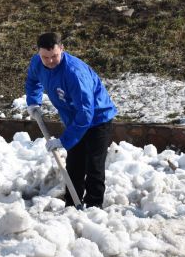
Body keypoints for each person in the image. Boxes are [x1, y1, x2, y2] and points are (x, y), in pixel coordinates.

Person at [25, 32, 118, 209]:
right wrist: (33, 101)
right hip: (74, 120)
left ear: (62, 49)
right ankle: (72, 204)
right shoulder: (38, 62)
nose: (50, 61)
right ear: (38, 53)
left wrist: (64, 140)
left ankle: (93, 207)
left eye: (54, 56)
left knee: (94, 166)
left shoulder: (74, 73)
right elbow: (32, 80)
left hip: (97, 120)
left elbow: (85, 113)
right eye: (45, 57)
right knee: (74, 164)